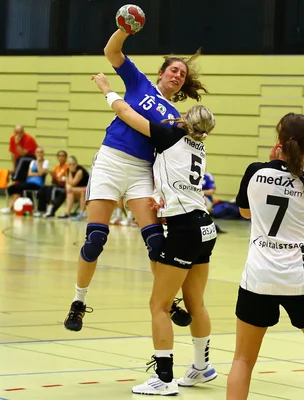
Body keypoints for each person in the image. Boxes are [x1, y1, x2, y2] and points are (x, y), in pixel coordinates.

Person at [63, 25, 207, 332]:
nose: (178, 75)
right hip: (111, 161)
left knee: (157, 244)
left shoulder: (175, 118)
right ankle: (78, 301)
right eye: (174, 70)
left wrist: (162, 190)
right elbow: (111, 52)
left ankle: (168, 302)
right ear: (162, 72)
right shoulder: (139, 83)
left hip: (142, 171)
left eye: (182, 74)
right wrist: (123, 29)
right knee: (96, 238)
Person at [93, 73, 218, 395]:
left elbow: (125, 113)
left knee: (159, 305)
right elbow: (180, 181)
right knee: (196, 303)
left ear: (186, 121)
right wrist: (161, 197)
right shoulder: (198, 147)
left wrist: (108, 91)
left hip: (185, 228)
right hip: (204, 224)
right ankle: (202, 369)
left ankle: (163, 379)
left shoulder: (169, 135)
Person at [227, 113, 304, 400]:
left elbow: (245, 212)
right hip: (301, 280)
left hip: (258, 279)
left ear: (278, 141)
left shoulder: (255, 172)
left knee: (242, 360)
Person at [1, 147, 48, 214]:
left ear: (43, 154)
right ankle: (14, 207)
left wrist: (37, 163)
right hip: (29, 182)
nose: (39, 154)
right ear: (35, 153)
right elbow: (29, 174)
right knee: (11, 188)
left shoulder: (45, 162)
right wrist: (38, 173)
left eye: (41, 152)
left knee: (18, 187)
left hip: (37, 184)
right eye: (38, 152)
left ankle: (11, 208)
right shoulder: (32, 162)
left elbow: (41, 173)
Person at [35, 150, 68, 218]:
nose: (61, 158)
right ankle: (41, 210)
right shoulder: (56, 168)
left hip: (64, 186)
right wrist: (53, 176)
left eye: (63, 156)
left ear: (66, 157)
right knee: (43, 188)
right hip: (57, 185)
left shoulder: (67, 167)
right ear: (57, 158)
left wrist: (62, 179)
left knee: (52, 189)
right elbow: (54, 182)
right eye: (59, 156)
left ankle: (50, 210)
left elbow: (68, 178)